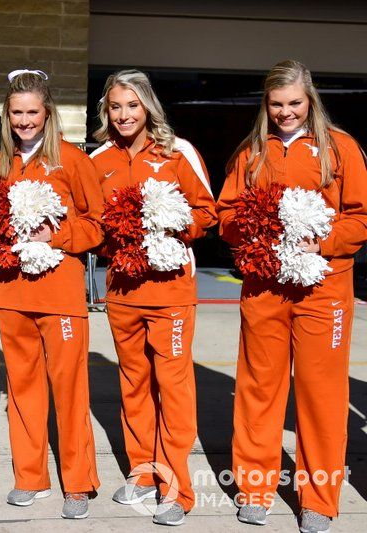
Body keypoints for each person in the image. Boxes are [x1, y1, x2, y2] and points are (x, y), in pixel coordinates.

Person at [217, 60, 367, 533]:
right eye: (277, 104)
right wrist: (255, 229)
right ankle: (255, 489)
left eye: (295, 103)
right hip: (265, 289)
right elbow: (224, 217)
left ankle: (318, 498)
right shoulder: (251, 153)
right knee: (259, 389)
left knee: (322, 395)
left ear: (311, 100)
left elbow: (360, 219)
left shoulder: (340, 148)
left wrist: (320, 241)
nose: (286, 112)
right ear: (267, 104)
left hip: (325, 291)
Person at [90, 69, 217, 526]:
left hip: (171, 292)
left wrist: (171, 225)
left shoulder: (177, 152)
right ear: (106, 111)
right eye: (115, 106)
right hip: (123, 291)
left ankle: (178, 489)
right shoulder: (98, 157)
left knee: (174, 387)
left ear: (148, 107)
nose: (124, 115)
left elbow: (208, 212)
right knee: (134, 384)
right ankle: (143, 472)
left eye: (132, 105)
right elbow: (93, 224)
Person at [0, 69, 103, 519]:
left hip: (62, 296)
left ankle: (78, 483)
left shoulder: (72, 160)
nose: (24, 121)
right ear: (7, 115)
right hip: (14, 294)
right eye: (17, 113)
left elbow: (97, 225)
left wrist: (55, 236)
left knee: (70, 390)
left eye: (32, 112)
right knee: (23, 389)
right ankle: (29, 476)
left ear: (47, 113)